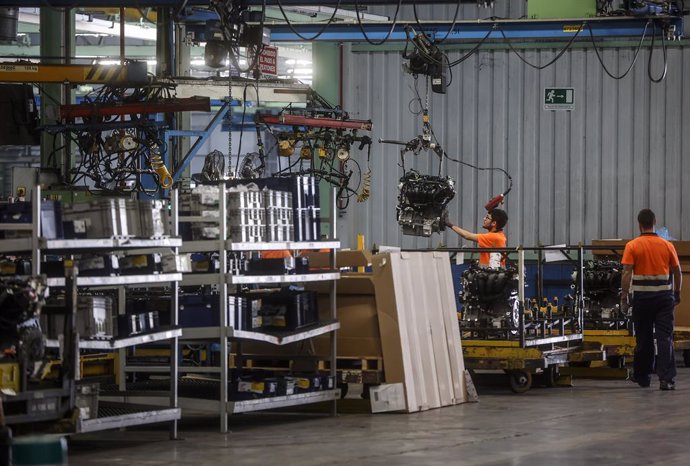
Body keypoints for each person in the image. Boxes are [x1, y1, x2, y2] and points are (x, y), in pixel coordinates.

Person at [621, 208, 682, 390]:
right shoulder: (667, 245)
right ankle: (666, 379)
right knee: (665, 338)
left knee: (644, 338)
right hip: (664, 298)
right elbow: (678, 272)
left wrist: (624, 297)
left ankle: (643, 377)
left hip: (642, 299)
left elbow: (626, 273)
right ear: (654, 223)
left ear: (640, 225)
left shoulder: (632, 246)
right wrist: (677, 292)